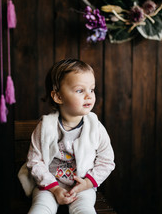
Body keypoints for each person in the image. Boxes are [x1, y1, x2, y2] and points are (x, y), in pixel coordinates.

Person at [18, 59, 115, 214]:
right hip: (48, 186)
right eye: (79, 90)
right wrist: (55, 189)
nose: (89, 96)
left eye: (92, 89)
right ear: (58, 97)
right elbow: (34, 161)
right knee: (40, 209)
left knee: (85, 210)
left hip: (81, 187)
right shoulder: (45, 127)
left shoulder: (95, 127)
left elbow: (107, 160)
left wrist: (88, 183)